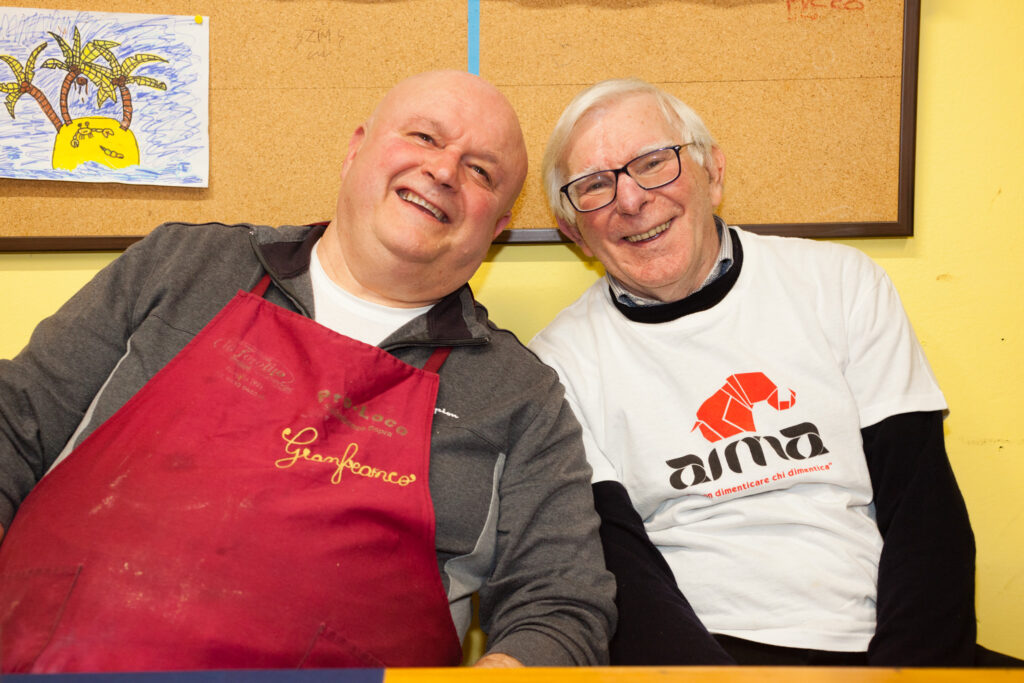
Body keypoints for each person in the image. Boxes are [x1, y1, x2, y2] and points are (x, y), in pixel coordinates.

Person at [0, 70, 615, 672]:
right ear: (355, 150)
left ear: (498, 227)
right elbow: (13, 423)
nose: (444, 170)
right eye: (425, 137)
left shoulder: (518, 395)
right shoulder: (184, 264)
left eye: (481, 171)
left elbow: (562, 603)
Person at [529, 78, 980, 666]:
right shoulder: (558, 362)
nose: (632, 199)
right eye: (594, 185)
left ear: (713, 174)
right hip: (697, 654)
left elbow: (923, 507)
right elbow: (616, 569)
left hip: (872, 643)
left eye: (653, 162)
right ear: (574, 232)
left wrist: (906, 678)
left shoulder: (840, 284)